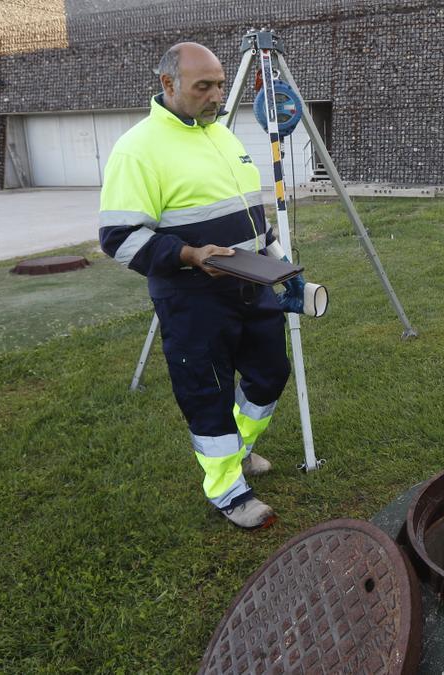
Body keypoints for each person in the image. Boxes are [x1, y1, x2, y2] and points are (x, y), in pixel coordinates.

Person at [99, 42, 302, 529]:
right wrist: (190, 256)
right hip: (192, 297)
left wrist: (284, 265)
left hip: (251, 283)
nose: (217, 97)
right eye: (203, 87)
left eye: (218, 84)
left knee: (271, 372)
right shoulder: (138, 149)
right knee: (207, 393)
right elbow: (118, 238)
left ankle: (243, 448)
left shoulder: (222, 136)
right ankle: (227, 489)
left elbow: (254, 220)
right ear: (168, 85)